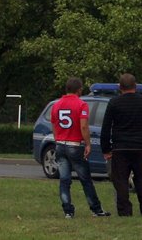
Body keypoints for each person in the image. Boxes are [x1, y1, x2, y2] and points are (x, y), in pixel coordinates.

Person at [50, 77, 110, 219]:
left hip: (60, 143)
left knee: (64, 180)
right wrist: (88, 143)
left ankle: (68, 211)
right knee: (85, 179)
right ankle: (96, 209)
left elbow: (54, 125)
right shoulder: (81, 104)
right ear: (79, 89)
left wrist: (58, 139)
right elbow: (83, 126)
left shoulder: (56, 105)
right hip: (75, 145)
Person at [100, 73, 142, 217]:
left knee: (120, 181)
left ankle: (124, 211)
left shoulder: (114, 103)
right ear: (135, 86)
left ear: (120, 87)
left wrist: (106, 149)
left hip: (120, 148)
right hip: (140, 147)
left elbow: (106, 127)